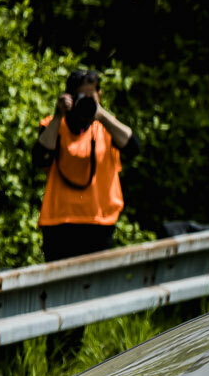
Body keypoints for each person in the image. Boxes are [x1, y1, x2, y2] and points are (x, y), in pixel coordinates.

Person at [36, 68, 138, 262]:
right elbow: (40, 159)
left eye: (91, 95)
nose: (86, 101)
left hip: (99, 222)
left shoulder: (107, 127)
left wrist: (100, 114)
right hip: (60, 223)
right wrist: (59, 116)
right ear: (70, 97)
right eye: (81, 96)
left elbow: (133, 148)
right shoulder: (53, 125)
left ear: (99, 94)